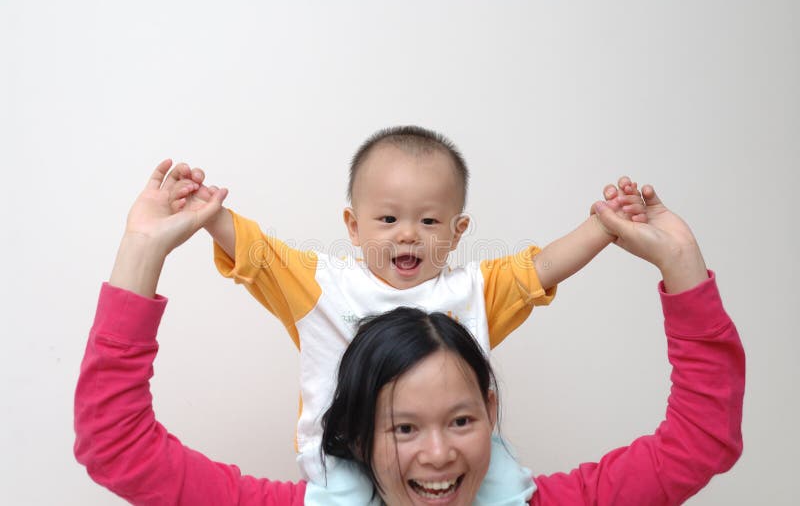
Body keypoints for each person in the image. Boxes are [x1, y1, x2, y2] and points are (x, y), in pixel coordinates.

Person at [74, 160, 744, 505]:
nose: (437, 457)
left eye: (459, 421)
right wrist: (144, 249)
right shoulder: (321, 288)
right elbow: (116, 446)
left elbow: (700, 440)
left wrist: (679, 262)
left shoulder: (476, 294)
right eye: (401, 427)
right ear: (356, 432)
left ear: (492, 410)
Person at [170, 126, 648, 504]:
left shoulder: (475, 292)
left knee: (509, 489)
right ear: (353, 227)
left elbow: (542, 267)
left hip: (451, 460)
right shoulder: (323, 287)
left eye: (429, 221)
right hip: (345, 453)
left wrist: (602, 225)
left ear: (458, 231)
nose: (407, 235)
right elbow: (258, 252)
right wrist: (208, 213)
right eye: (388, 219)